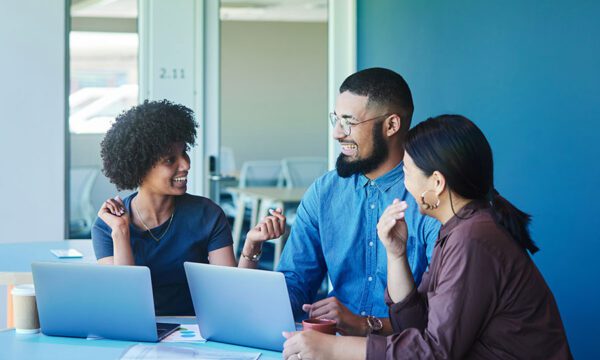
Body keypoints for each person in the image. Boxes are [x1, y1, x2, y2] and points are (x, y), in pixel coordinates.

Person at [282, 114, 572, 359]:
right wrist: (396, 254)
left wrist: (335, 348)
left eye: (406, 172)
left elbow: (434, 352)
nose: (404, 184)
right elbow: (415, 326)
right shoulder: (461, 229)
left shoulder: (474, 239)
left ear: (436, 182)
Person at [277, 68, 440, 336]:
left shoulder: (431, 197)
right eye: (336, 120)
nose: (337, 134)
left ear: (391, 125)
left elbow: (441, 314)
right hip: (332, 345)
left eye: (349, 122)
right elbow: (295, 281)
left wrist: (364, 325)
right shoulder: (323, 192)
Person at [92, 99, 285, 316]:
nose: (185, 164)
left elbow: (231, 297)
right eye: (170, 159)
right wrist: (121, 232)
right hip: (137, 332)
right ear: (140, 166)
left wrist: (251, 245)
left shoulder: (207, 215)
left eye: (184, 153)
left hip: (197, 334)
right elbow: (124, 304)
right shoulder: (108, 226)